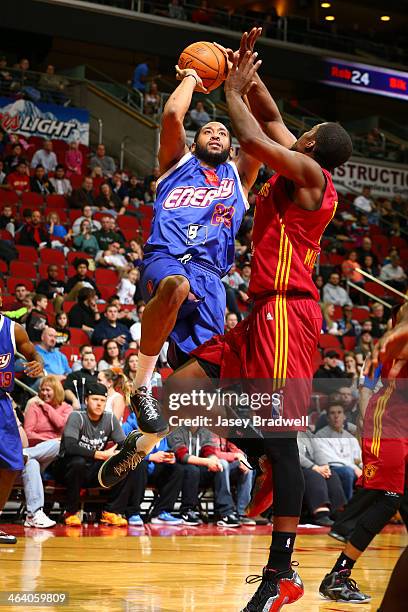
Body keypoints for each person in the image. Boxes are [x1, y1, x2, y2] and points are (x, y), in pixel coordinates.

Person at [99, 28, 353, 611]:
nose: (294, 129)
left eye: (303, 133)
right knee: (180, 391)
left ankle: (279, 574)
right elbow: (267, 114)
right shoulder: (301, 161)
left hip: (289, 314)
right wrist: (248, 73)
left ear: (311, 145)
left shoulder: (309, 177)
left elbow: (250, 132)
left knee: (284, 444)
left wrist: (233, 90)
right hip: (258, 313)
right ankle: (205, 440)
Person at [113, 39, 260, 463]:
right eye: (208, 131)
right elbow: (173, 114)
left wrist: (241, 85)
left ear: (230, 147)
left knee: (201, 384)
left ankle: (142, 442)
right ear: (194, 143)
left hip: (212, 279)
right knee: (174, 286)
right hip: (169, 258)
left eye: (222, 133)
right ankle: (140, 385)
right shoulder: (176, 164)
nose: (215, 133)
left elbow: (254, 137)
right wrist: (195, 74)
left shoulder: (238, 179)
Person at [319, 303, 408, 604]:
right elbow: (376, 364)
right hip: (391, 420)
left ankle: (339, 569)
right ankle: (340, 564)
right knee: (388, 497)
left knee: (396, 499)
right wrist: (363, 409)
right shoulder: (402, 328)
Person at [0, 289, 43, 545]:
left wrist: (37, 362)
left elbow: (33, 354)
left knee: (11, 465)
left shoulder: (13, 329)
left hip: (2, 403)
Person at [55, 382, 131, 526]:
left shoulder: (110, 419)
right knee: (78, 462)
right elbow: (70, 447)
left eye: (102, 401)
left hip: (92, 470)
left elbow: (124, 445)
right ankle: (70, 513)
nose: (99, 404)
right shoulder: (77, 416)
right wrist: (100, 454)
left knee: (126, 463)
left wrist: (118, 454)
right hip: (66, 469)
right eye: (95, 399)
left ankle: (111, 512)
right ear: (86, 400)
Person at [22, 376, 72, 528]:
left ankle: (26, 454)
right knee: (31, 464)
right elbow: (28, 433)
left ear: (56, 391)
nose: (44, 393)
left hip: (56, 457)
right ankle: (33, 514)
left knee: (61, 443)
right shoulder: (33, 407)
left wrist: (46, 406)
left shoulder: (67, 409)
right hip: (39, 453)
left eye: (48, 390)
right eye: (42, 390)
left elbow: (62, 426)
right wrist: (48, 440)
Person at [297, 430, 346, 526]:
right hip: (295, 467)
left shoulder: (306, 433)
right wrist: (314, 467)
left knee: (332, 475)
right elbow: (293, 453)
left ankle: (337, 512)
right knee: (314, 476)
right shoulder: (283, 431)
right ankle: (321, 513)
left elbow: (318, 451)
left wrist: (324, 466)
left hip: (314, 467)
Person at [315, 404, 362, 501]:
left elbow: (358, 459)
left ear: (344, 417)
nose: (336, 416)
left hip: (352, 469)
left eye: (339, 412)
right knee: (347, 472)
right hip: (332, 469)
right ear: (328, 418)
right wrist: (355, 468)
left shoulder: (350, 437)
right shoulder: (320, 435)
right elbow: (330, 460)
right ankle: (346, 508)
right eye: (332, 413)